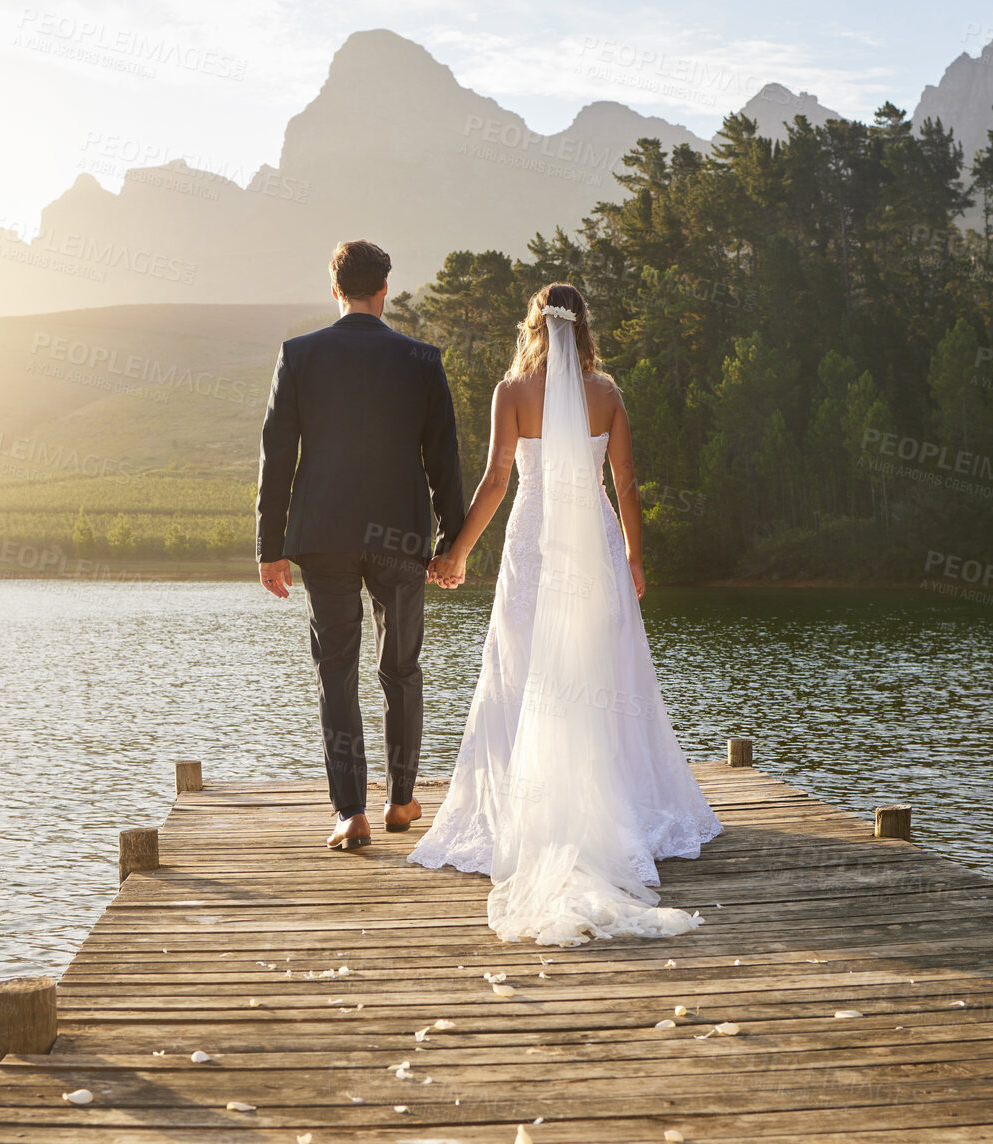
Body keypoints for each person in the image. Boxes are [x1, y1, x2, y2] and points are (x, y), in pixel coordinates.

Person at [410, 282, 722, 946]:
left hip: (534, 543)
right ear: (583, 328)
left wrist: (457, 554)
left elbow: (497, 480)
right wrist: (634, 557)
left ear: (532, 326)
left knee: (522, 670)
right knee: (601, 671)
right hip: (595, 549)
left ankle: (530, 813)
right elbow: (625, 481)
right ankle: (618, 809)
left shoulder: (510, 392)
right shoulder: (605, 392)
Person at [255, 239, 466, 850]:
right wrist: (452, 543)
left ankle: (350, 813)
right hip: (401, 538)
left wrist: (270, 546)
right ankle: (402, 800)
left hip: (323, 536)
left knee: (336, 672)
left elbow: (277, 458)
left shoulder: (300, 355)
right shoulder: (422, 359)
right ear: (385, 290)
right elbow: (443, 462)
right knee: (400, 668)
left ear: (335, 288)